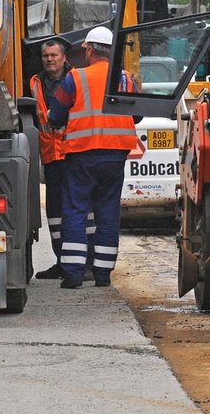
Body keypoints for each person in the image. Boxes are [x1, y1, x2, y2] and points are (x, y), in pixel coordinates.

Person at [48, 26, 139, 289]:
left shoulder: (75, 78)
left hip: (82, 155)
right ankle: (102, 275)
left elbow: (55, 117)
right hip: (115, 156)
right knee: (108, 213)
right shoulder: (126, 80)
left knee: (76, 211)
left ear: (89, 50)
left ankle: (74, 274)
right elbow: (137, 115)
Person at [28, 39, 74, 279]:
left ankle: (80, 263)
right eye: (45, 56)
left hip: (73, 154)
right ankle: (62, 261)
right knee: (55, 213)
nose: (49, 59)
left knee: (78, 210)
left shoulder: (75, 79)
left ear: (64, 57)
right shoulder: (35, 83)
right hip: (50, 157)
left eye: (54, 55)